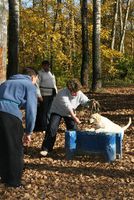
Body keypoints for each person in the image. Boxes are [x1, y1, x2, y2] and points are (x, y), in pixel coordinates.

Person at [0, 68, 38, 188]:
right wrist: (29, 132)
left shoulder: (5, 83)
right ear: (32, 77)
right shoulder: (29, 85)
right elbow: (32, 110)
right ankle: (13, 181)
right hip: (10, 115)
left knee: (2, 145)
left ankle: (4, 175)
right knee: (15, 148)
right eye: (36, 80)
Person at [40, 79, 92, 157]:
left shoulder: (79, 93)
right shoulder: (62, 93)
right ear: (68, 89)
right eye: (73, 91)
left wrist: (91, 103)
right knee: (52, 128)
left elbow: (85, 101)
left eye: (76, 91)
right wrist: (75, 117)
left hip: (69, 114)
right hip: (57, 111)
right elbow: (68, 106)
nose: (75, 93)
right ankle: (46, 149)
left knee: (73, 129)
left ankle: (75, 148)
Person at [34, 60, 57, 132]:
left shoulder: (51, 73)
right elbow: (36, 85)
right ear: (43, 66)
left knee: (50, 111)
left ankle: (48, 125)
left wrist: (56, 93)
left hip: (52, 94)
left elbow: (54, 84)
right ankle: (43, 127)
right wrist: (39, 95)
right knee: (43, 112)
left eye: (48, 65)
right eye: (46, 65)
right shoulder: (40, 73)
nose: (47, 67)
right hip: (44, 95)